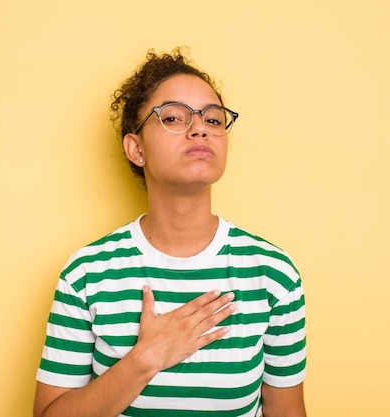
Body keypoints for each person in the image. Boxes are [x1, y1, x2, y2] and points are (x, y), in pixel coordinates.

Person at [33, 48, 307, 417]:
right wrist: (146, 358)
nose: (199, 128)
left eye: (213, 119)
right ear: (136, 149)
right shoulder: (87, 274)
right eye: (174, 117)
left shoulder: (273, 273)